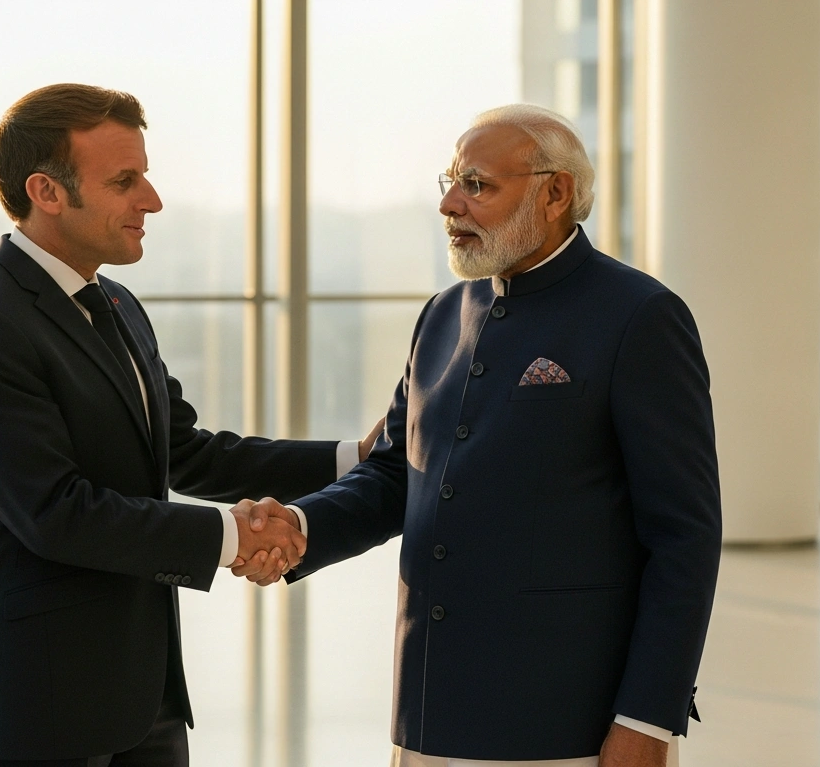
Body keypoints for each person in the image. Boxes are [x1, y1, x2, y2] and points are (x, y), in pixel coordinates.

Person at [238, 104, 722, 767]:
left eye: (477, 185)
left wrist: (649, 718)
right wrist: (299, 528)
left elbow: (684, 536)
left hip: (564, 722)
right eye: (450, 183)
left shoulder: (640, 317)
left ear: (555, 193)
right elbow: (391, 475)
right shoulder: (441, 315)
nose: (450, 206)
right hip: (427, 711)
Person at [0, 83, 377, 766]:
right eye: (125, 181)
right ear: (46, 192)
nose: (152, 200)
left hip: (143, 690)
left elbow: (185, 452)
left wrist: (356, 459)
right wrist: (234, 535)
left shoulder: (118, 304)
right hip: (36, 693)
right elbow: (55, 512)